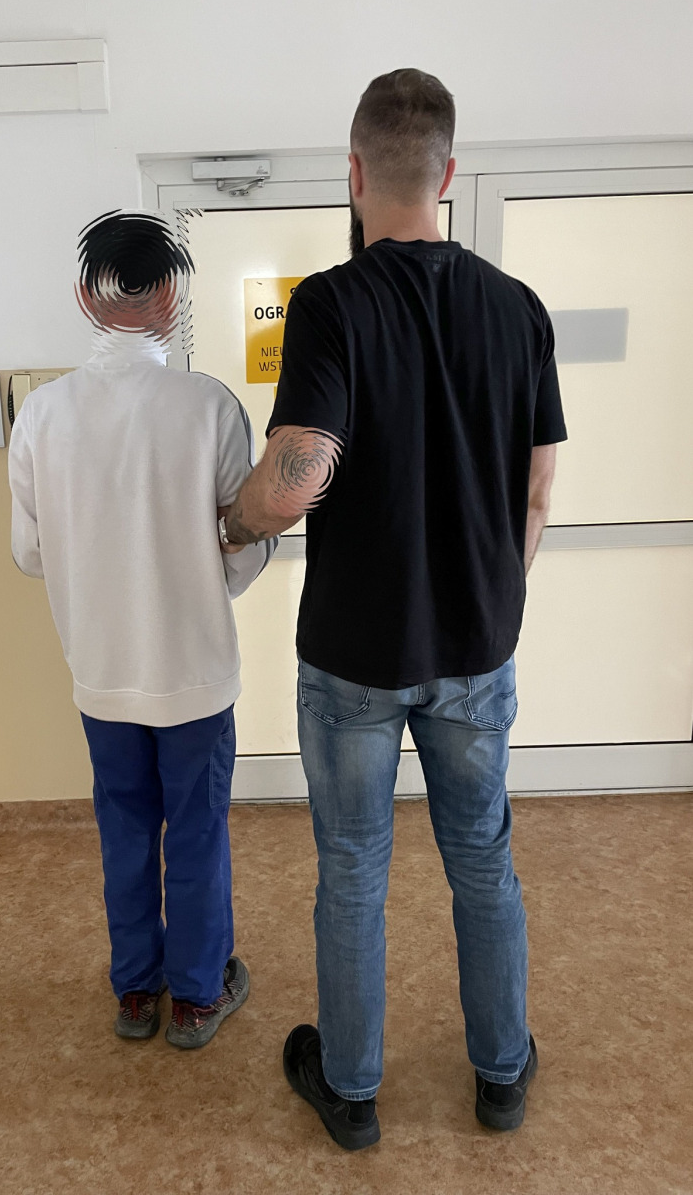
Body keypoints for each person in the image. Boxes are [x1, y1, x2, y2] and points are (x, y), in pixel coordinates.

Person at [220, 69, 566, 1148]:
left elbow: (295, 478)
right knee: (483, 861)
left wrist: (233, 521)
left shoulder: (332, 302)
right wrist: (496, 597)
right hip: (476, 650)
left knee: (354, 871)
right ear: (448, 174)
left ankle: (354, 1092)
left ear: (356, 173)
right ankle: (501, 1076)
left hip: (354, 658)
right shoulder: (517, 309)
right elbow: (538, 492)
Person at [10, 210, 275, 1049]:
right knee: (197, 831)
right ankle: (196, 997)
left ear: (84, 296)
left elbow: (28, 554)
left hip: (102, 675)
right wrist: (198, 578)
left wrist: (98, 574)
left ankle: (135, 992)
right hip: (194, 673)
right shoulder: (208, 406)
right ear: (170, 298)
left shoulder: (41, 414)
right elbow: (244, 546)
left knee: (124, 829)